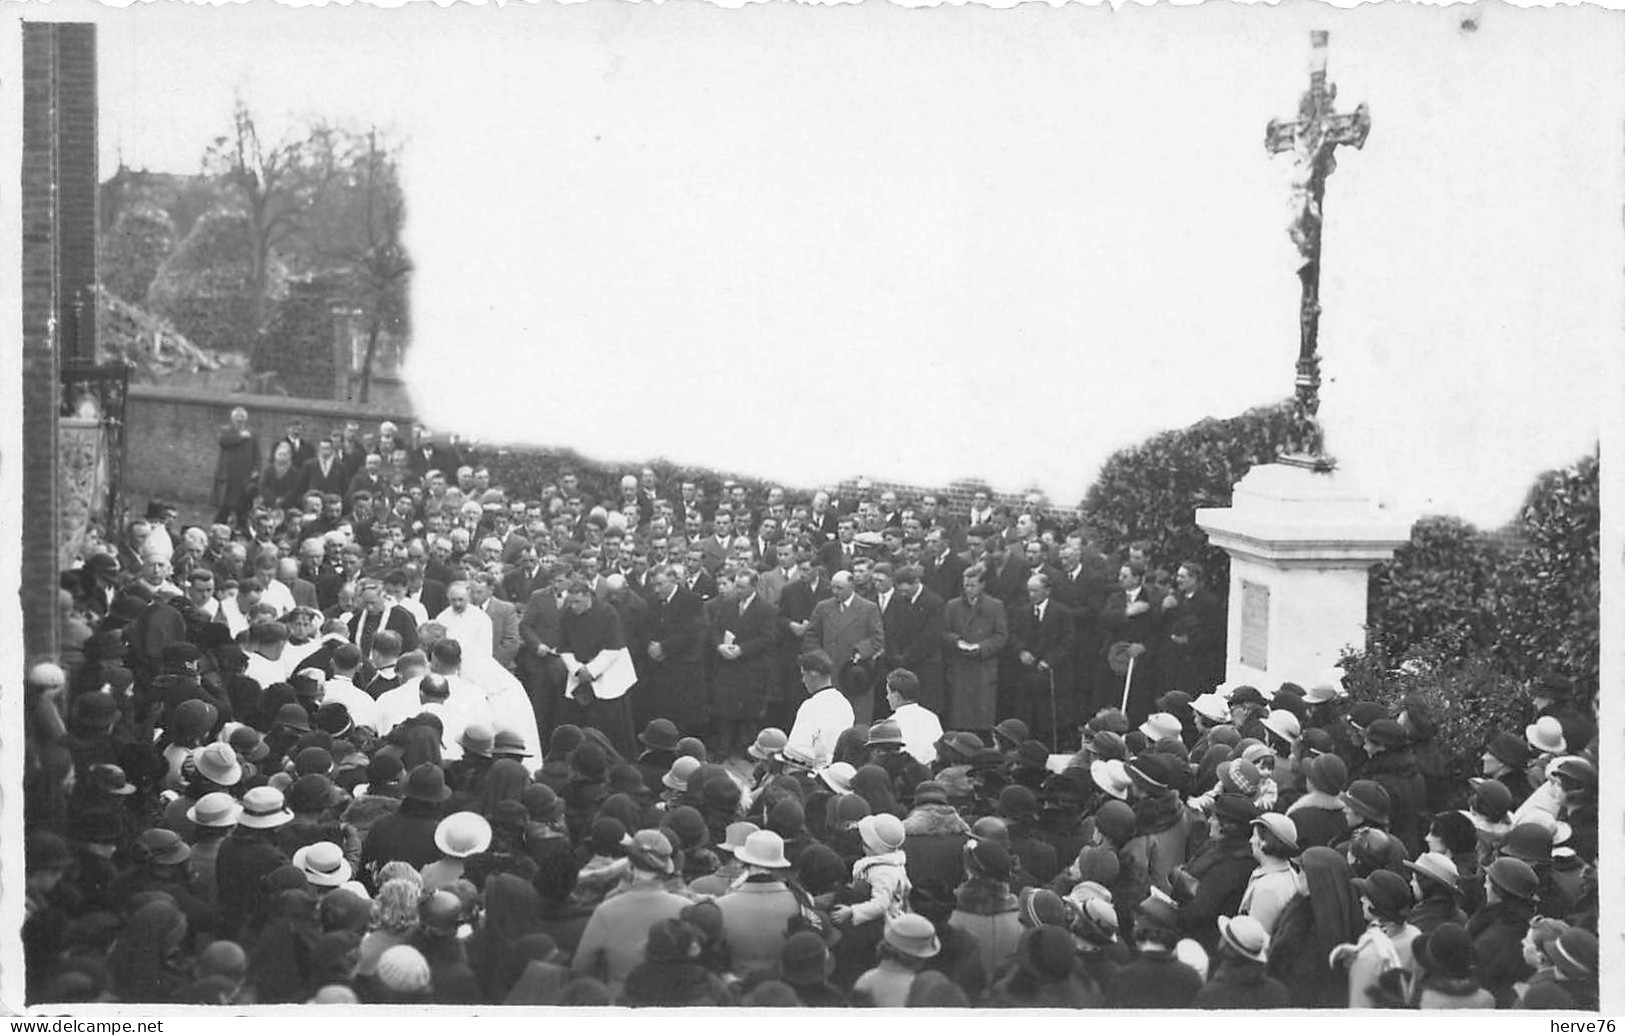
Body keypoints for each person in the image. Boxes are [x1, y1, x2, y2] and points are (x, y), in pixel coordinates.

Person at [803, 571, 885, 727]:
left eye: (839, 588)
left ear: (852, 586)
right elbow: (811, 636)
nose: (835, 592)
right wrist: (819, 658)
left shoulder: (869, 608)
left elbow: (877, 639)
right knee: (829, 721)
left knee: (857, 721)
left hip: (856, 676)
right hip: (828, 674)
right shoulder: (823, 607)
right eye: (833, 588)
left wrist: (860, 651)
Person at [941, 566, 1007, 733]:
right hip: (960, 666)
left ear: (982, 585)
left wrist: (981, 647)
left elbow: (1001, 635)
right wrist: (957, 642)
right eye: (966, 585)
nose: (968, 589)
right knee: (960, 715)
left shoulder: (995, 606)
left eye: (973, 585)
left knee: (982, 717)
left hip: (984, 667)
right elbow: (944, 632)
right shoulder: (953, 605)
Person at [786, 651, 854, 767]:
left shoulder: (810, 706)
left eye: (804, 675)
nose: (803, 680)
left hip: (813, 770)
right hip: (837, 770)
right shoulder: (845, 705)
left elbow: (796, 749)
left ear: (813, 674)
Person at [213, 406, 260, 526]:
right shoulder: (226, 430)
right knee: (226, 506)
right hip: (229, 477)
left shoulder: (251, 434)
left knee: (243, 508)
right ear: (232, 419)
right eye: (238, 418)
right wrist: (240, 436)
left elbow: (257, 453)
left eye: (242, 418)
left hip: (245, 477)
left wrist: (256, 469)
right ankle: (218, 528)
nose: (240, 420)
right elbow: (223, 441)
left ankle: (240, 529)